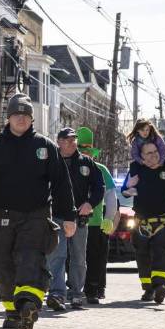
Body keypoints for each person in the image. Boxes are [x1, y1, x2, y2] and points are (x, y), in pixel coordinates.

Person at [0, 94, 76, 329]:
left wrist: (69, 216)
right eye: (17, 114)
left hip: (36, 215)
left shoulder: (45, 147)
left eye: (25, 115)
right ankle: (13, 311)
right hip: (0, 215)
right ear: (9, 117)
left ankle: (29, 304)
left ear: (31, 118)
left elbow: (62, 183)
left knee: (31, 258)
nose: (21, 119)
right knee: (3, 265)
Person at [46, 128, 104, 311]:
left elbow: (99, 187)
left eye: (74, 140)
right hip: (56, 216)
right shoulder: (51, 161)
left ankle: (76, 293)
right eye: (68, 140)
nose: (73, 143)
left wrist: (90, 204)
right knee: (57, 256)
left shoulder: (86, 162)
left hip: (79, 218)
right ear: (59, 141)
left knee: (79, 257)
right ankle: (57, 294)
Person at [122, 142, 165, 304]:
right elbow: (125, 190)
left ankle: (160, 287)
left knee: (161, 254)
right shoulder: (136, 168)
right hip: (141, 223)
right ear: (141, 156)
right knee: (143, 257)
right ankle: (149, 289)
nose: (153, 155)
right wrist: (127, 187)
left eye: (155, 151)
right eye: (148, 153)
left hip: (162, 222)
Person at [76, 127, 118, 304]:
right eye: (82, 151)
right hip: (73, 222)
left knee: (96, 258)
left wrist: (108, 218)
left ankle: (93, 289)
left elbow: (111, 196)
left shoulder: (101, 169)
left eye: (88, 151)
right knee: (74, 258)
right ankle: (74, 288)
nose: (86, 155)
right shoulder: (66, 166)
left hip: (95, 223)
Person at [124, 119, 165, 200]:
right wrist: (142, 161)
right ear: (138, 130)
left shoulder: (155, 137)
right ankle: (133, 188)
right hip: (142, 161)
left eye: (147, 130)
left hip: (159, 160)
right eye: (142, 130)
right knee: (133, 165)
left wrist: (160, 162)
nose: (145, 132)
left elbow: (163, 149)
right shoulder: (136, 141)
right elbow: (134, 154)